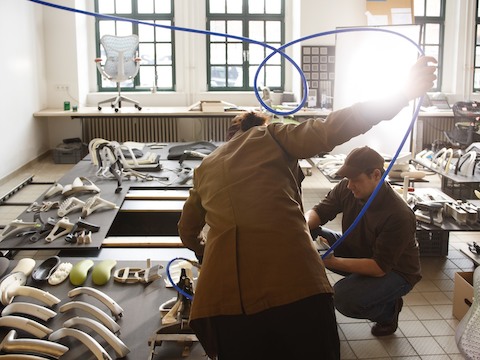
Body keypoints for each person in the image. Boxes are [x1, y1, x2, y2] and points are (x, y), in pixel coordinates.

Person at [177, 55, 436, 360]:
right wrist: (401, 94)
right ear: (259, 126)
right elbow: (332, 128)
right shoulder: (272, 135)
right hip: (296, 292)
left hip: (222, 308)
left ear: (228, 137)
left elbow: (187, 230)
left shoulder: (206, 166)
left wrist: (207, 251)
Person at [305, 146, 420, 337]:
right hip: (359, 250)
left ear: (376, 175)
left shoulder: (399, 214)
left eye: (356, 180)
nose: (349, 185)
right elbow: (320, 211)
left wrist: (332, 261)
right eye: (348, 179)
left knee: (343, 298)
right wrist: (302, 227)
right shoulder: (347, 187)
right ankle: (364, 286)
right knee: (309, 233)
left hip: (394, 270)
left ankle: (388, 311)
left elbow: (379, 267)